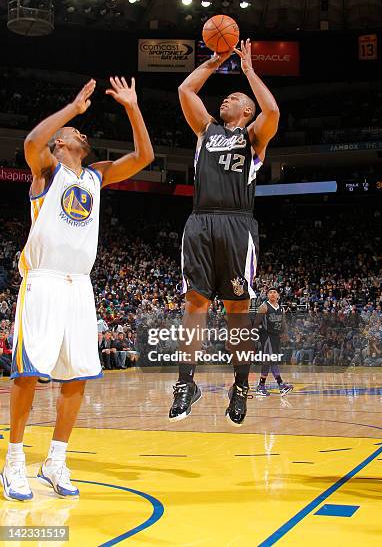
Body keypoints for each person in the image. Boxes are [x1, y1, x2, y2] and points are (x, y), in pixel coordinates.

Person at [1, 76, 153, 501]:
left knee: (76, 377)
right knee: (29, 372)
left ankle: (55, 460)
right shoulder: (45, 172)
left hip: (80, 286)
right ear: (60, 144)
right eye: (72, 134)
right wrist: (71, 109)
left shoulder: (95, 176)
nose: (80, 133)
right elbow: (33, 140)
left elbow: (145, 156)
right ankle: (13, 461)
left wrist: (132, 106)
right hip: (44, 281)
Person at [169, 39, 279, 424]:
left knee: (237, 312)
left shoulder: (254, 136)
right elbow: (186, 90)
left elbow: (273, 109)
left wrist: (248, 70)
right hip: (200, 220)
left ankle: (241, 386)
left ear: (247, 109)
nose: (225, 101)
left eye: (233, 98)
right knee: (194, 306)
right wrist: (215, 61)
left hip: (238, 223)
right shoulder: (206, 130)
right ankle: (186, 383)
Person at [255, 288, 293, 397]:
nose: (272, 294)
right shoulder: (264, 306)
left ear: (278, 296)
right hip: (266, 336)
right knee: (268, 360)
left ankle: (279, 385)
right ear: (267, 295)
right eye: (270, 292)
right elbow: (256, 322)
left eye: (274, 292)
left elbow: (284, 322)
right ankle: (263, 386)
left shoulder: (281, 309)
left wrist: (285, 334)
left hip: (276, 337)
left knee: (272, 361)